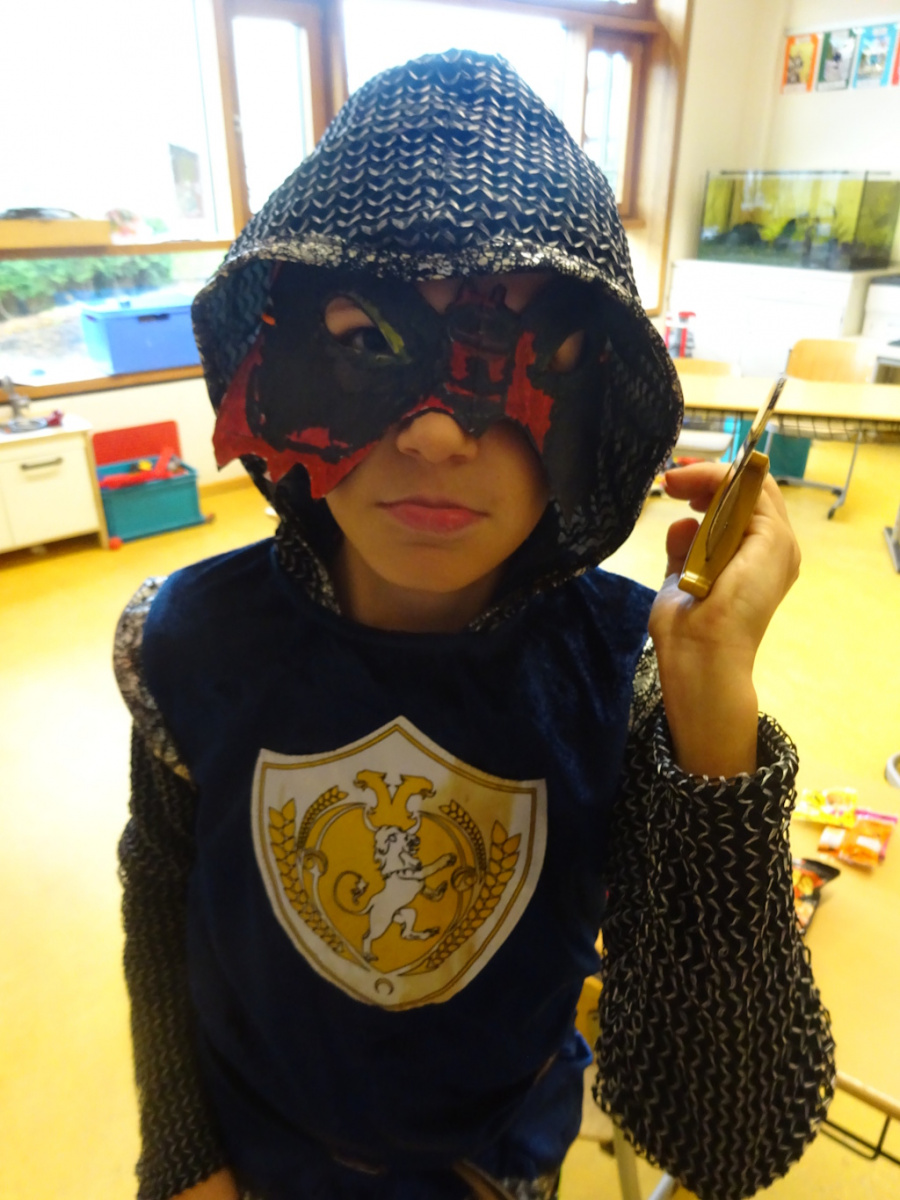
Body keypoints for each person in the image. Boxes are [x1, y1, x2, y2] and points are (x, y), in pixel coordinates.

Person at [115, 50, 834, 1200]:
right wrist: (184, 1157)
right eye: (365, 343)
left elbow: (727, 1141)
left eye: (522, 363)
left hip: (488, 1168)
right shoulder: (190, 642)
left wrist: (710, 712)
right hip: (252, 1158)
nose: (441, 436)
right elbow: (166, 897)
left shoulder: (626, 682)